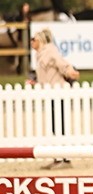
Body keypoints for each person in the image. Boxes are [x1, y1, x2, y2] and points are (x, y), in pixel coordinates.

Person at [30, 28, 79, 169]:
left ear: (40, 41)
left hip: (58, 93)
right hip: (50, 93)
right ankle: (58, 157)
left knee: (60, 126)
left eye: (34, 39)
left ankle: (65, 159)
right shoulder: (39, 55)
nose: (31, 42)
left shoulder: (49, 51)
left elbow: (62, 63)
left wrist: (70, 71)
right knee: (54, 126)